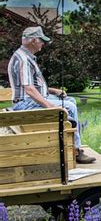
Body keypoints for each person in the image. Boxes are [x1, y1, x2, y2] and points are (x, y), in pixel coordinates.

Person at [7, 26, 96, 164]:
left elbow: (34, 86)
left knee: (69, 99)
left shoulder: (24, 56)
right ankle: (75, 150)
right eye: (41, 40)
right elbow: (29, 89)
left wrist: (53, 90)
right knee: (69, 107)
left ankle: (72, 145)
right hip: (24, 104)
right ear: (34, 41)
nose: (43, 43)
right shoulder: (23, 59)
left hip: (28, 100)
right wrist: (50, 107)